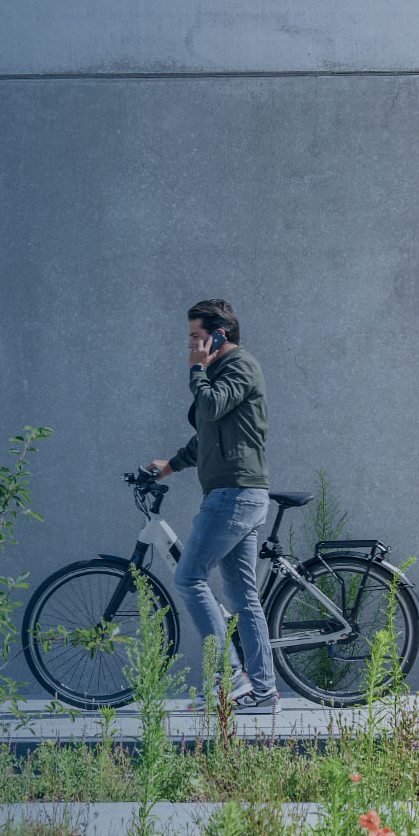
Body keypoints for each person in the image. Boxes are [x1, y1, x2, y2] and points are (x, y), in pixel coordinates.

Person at [143, 299, 279, 715]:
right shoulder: (220, 374)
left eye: (196, 337)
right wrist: (171, 466)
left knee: (188, 578)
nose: (190, 346)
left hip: (235, 493)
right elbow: (206, 435)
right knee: (242, 596)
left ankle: (226, 680)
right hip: (235, 492)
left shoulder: (238, 367)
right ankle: (262, 692)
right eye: (190, 339)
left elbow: (210, 407)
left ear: (220, 335)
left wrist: (197, 369)